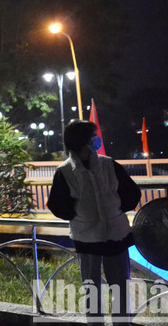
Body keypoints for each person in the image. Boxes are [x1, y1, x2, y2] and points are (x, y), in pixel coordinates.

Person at [47, 120, 141, 322]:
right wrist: (81, 215)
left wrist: (113, 212)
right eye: (92, 136)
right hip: (86, 238)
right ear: (83, 142)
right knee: (91, 290)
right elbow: (57, 205)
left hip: (116, 235)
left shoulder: (108, 164)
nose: (96, 140)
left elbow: (132, 193)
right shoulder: (64, 172)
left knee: (121, 288)